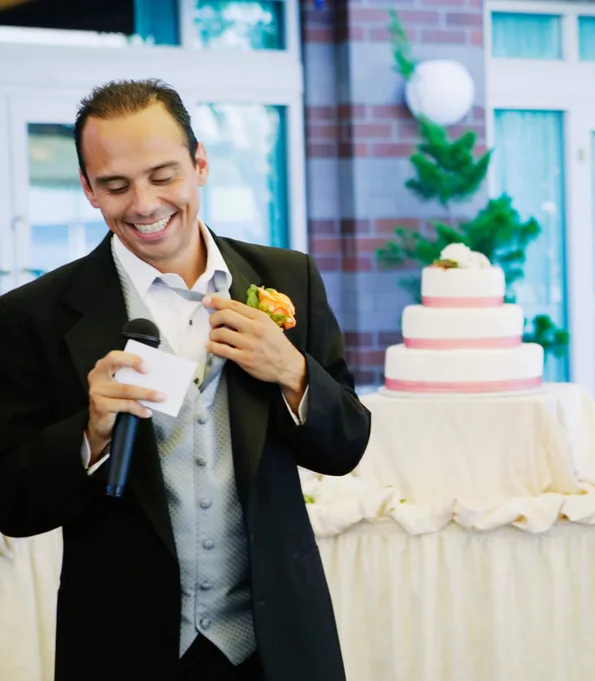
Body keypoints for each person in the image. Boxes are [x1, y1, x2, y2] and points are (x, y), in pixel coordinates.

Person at [0, 79, 372, 681]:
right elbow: (12, 504)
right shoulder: (31, 315)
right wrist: (88, 434)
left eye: (164, 175)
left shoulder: (289, 275)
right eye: (116, 185)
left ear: (200, 164)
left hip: (277, 644)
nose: (144, 204)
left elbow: (346, 445)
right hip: (123, 646)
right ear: (89, 190)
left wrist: (293, 372)